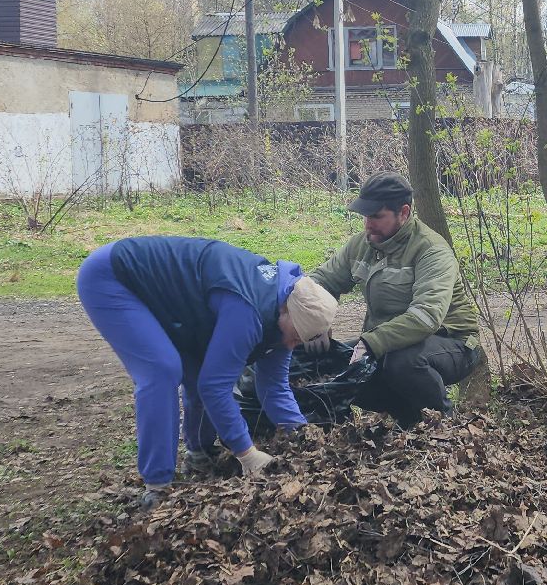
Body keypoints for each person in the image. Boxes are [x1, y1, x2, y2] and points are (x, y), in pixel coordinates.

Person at [77, 236, 338, 509]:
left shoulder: (286, 314)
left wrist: (301, 436)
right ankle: (158, 485)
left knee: (200, 370)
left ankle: (199, 453)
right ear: (285, 312)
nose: (292, 346)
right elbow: (214, 388)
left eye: (298, 342)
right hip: (115, 277)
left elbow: (274, 386)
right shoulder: (248, 311)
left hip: (175, 304)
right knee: (162, 370)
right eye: (295, 337)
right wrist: (247, 453)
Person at [308, 172, 482, 427]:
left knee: (401, 362)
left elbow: (426, 317)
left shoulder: (431, 250)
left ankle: (443, 426)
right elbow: (319, 282)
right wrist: (314, 320)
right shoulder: (361, 245)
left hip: (452, 341)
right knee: (335, 364)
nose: (368, 224)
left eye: (376, 216)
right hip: (390, 343)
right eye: (365, 215)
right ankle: (408, 419)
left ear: (403, 212)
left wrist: (371, 342)